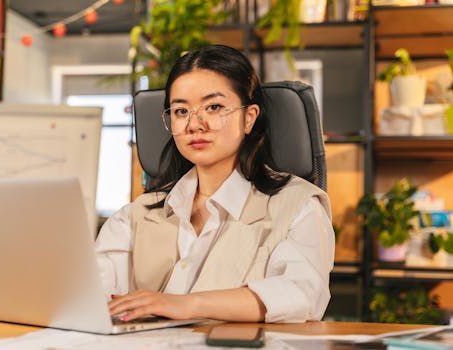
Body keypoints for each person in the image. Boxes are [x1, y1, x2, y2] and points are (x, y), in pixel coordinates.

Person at [95, 44, 334, 323]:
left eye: (214, 107)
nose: (195, 124)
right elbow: (90, 296)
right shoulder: (135, 216)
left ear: (249, 118)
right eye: (181, 111)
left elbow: (302, 295)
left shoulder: (299, 206)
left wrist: (186, 305)